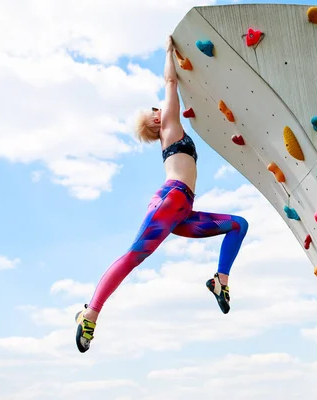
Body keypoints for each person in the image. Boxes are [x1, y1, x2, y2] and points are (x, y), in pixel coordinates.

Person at [74, 35, 249, 353]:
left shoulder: (172, 133)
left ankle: (219, 281)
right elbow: (170, 80)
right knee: (133, 257)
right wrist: (169, 51)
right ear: (156, 119)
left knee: (238, 224)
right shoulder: (169, 124)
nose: (164, 106)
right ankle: (91, 314)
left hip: (182, 211)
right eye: (157, 109)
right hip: (171, 202)